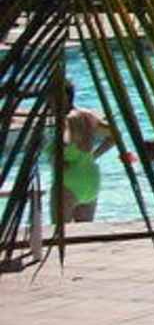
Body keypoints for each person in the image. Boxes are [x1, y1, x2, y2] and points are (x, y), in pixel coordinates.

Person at [51, 80, 115, 222]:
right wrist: (94, 155)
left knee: (59, 230)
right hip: (90, 179)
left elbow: (65, 140)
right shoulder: (89, 115)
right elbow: (114, 135)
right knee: (84, 231)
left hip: (68, 180)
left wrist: (59, 158)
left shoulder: (65, 119)